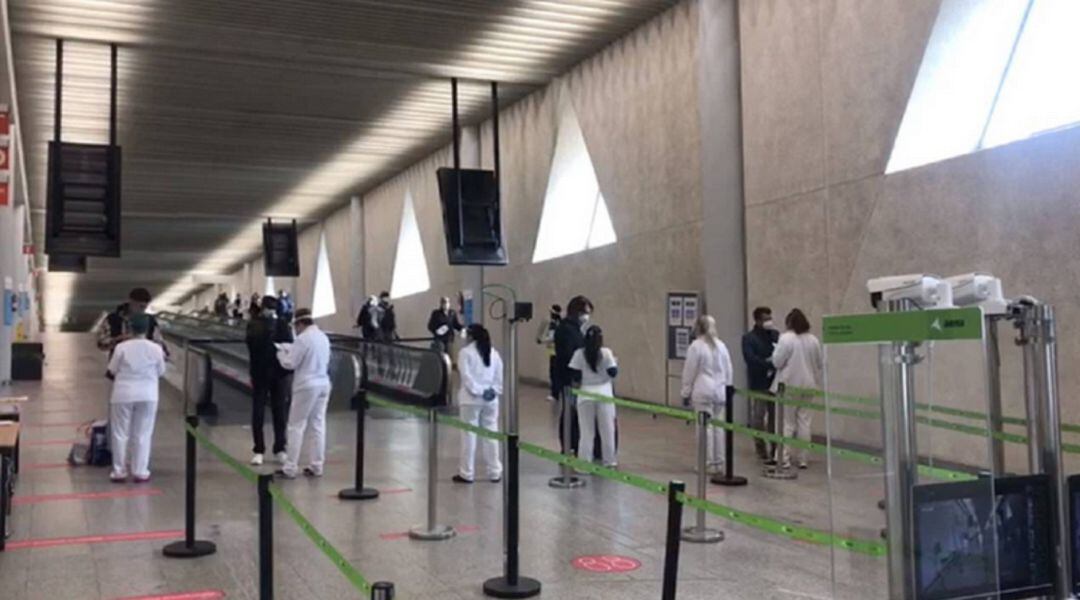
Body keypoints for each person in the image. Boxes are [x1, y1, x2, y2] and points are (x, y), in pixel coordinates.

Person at [106, 314, 167, 483]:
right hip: (148, 394)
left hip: (122, 394)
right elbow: (162, 371)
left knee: (120, 433)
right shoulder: (156, 348)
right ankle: (140, 471)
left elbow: (112, 369)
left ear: (129, 328)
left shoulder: (121, 348)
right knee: (143, 433)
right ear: (147, 329)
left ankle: (119, 471)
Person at [275, 308, 332, 479]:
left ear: (300, 323)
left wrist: (280, 353)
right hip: (323, 383)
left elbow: (290, 363)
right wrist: (290, 347)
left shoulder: (302, 338)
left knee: (296, 426)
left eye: (296, 326)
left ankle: (290, 467)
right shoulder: (323, 337)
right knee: (318, 425)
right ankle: (317, 465)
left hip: (306, 386)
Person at [680, 315, 734, 475]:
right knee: (718, 428)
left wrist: (685, 391)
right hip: (720, 392)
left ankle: (706, 462)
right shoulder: (721, 345)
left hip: (703, 391)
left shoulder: (696, 346)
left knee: (705, 429)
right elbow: (728, 369)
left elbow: (689, 371)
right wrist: (728, 388)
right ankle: (719, 462)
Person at [770, 308, 823, 470]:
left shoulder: (786, 338)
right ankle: (803, 459)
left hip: (789, 385)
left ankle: (783, 457)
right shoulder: (813, 340)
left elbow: (777, 362)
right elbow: (819, 363)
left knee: (787, 423)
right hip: (809, 385)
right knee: (805, 422)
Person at [245, 295, 293, 466]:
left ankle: (280, 447)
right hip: (260, 373)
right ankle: (258, 449)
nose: (270, 312)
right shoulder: (254, 324)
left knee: (280, 412)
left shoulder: (281, 324)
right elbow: (252, 344)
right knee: (258, 412)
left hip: (279, 373)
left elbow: (289, 344)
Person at [453, 324, 503, 484]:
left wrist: (479, 391)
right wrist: (492, 391)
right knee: (491, 435)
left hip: (471, 400)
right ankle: (495, 471)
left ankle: (467, 473)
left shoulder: (465, 353)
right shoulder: (494, 353)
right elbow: (499, 378)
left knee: (469, 436)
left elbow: (467, 379)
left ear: (470, 336)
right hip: (491, 400)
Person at [568, 326, 619, 467]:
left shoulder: (579, 354)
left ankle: (584, 464)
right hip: (605, 395)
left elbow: (575, 377)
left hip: (585, 395)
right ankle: (609, 462)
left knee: (586, 433)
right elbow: (613, 373)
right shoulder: (606, 353)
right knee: (607, 430)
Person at [553, 295, 592, 454]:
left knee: (574, 413)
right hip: (570, 379)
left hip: (574, 378)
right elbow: (569, 355)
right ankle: (568, 444)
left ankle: (573, 443)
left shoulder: (574, 329)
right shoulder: (567, 330)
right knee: (570, 413)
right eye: (585, 312)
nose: (586, 317)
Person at [742, 306, 780, 462]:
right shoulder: (749, 338)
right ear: (757, 320)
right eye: (765, 319)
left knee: (774, 417)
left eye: (769, 318)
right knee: (758, 417)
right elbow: (750, 359)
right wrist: (768, 364)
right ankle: (760, 447)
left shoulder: (775, 335)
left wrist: (775, 364)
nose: (768, 322)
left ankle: (775, 448)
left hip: (775, 383)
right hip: (759, 382)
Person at [97, 288, 166, 357]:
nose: (141, 310)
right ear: (130, 301)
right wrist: (119, 339)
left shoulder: (150, 321)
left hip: (144, 362)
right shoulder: (112, 319)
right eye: (140, 306)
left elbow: (159, 344)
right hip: (119, 361)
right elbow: (101, 343)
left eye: (144, 307)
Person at [536, 304, 562, 401]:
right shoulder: (552, 322)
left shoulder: (556, 324)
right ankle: (556, 392)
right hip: (553, 351)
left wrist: (542, 340)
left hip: (556, 351)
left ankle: (555, 393)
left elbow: (552, 337)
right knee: (554, 372)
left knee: (554, 372)